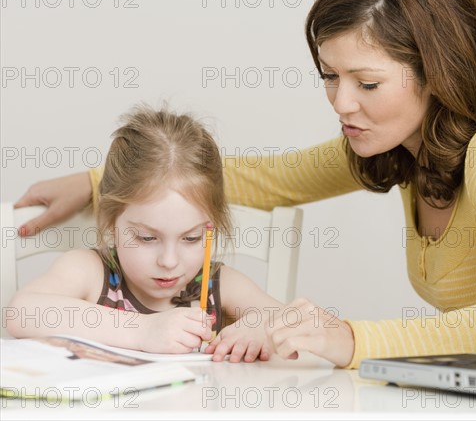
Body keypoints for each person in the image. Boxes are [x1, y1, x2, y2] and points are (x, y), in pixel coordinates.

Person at [14, 0, 476, 369]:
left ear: (439, 73)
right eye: (330, 76)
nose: (342, 103)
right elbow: (270, 178)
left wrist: (348, 338)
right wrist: (101, 180)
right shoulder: (401, 148)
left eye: (367, 84)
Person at [8, 104, 283, 363]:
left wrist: (259, 326)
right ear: (111, 222)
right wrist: (143, 330)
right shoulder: (90, 271)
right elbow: (21, 312)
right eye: (147, 238)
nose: (169, 261)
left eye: (191, 238)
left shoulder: (217, 283)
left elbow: (287, 318)